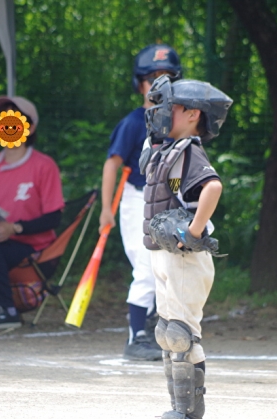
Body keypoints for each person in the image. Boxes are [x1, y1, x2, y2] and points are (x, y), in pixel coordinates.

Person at [138, 75, 233, 419]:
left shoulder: (189, 150)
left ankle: (190, 417)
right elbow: (178, 192)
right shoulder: (169, 151)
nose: (161, 113)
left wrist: (193, 231)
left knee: (181, 334)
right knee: (168, 332)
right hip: (166, 256)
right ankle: (179, 411)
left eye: (171, 108)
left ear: (193, 114)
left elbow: (212, 187)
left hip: (184, 259)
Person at [99, 44, 182, 361]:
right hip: (138, 200)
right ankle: (136, 337)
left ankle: (150, 327)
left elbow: (177, 169)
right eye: (152, 79)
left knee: (165, 269)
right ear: (140, 84)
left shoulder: (176, 124)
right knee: (147, 268)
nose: (159, 85)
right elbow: (112, 165)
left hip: (168, 203)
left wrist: (179, 200)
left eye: (167, 79)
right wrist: (106, 209)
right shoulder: (134, 122)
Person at [0, 95, 65, 328]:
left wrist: (14, 228)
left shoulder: (43, 165)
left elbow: (54, 217)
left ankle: (6, 310)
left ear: (31, 127)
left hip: (34, 248)